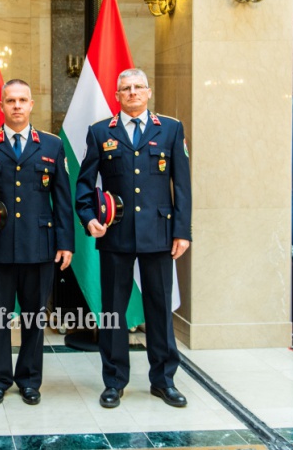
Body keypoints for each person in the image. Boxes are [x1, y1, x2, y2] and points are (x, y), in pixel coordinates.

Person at [75, 68, 191, 409]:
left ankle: (164, 380)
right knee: (113, 312)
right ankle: (114, 382)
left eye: (139, 87)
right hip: (116, 235)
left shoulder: (170, 129)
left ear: (149, 92)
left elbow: (182, 185)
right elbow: (85, 184)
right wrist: (89, 218)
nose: (132, 92)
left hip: (159, 234)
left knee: (159, 309)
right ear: (117, 95)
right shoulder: (101, 132)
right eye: (125, 88)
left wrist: (182, 231)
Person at [0, 79, 74, 406]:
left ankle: (29, 380)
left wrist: (65, 243)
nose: (17, 106)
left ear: (31, 105)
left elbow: (63, 200)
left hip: (40, 247)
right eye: (11, 100)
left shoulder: (51, 145)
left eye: (23, 100)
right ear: (1, 106)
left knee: (34, 319)